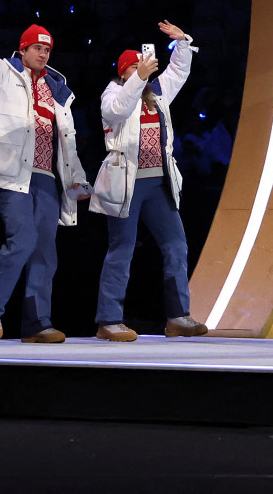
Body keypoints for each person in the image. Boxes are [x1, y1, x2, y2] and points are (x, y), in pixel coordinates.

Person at [0, 0, 90, 343]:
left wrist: (77, 178)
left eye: (47, 49)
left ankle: (37, 323)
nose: (43, 54)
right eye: (37, 48)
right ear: (23, 49)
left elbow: (67, 141)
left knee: (45, 251)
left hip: (46, 177)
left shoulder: (58, 90)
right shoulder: (3, 73)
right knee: (23, 238)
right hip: (11, 172)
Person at [91, 24, 208, 341]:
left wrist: (182, 42)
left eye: (142, 67)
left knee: (176, 246)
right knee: (122, 249)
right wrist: (138, 78)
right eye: (134, 68)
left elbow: (178, 72)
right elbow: (118, 111)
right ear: (123, 73)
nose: (140, 72)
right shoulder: (112, 93)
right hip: (126, 183)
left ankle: (178, 316)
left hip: (158, 183)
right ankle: (109, 320)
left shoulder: (156, 93)